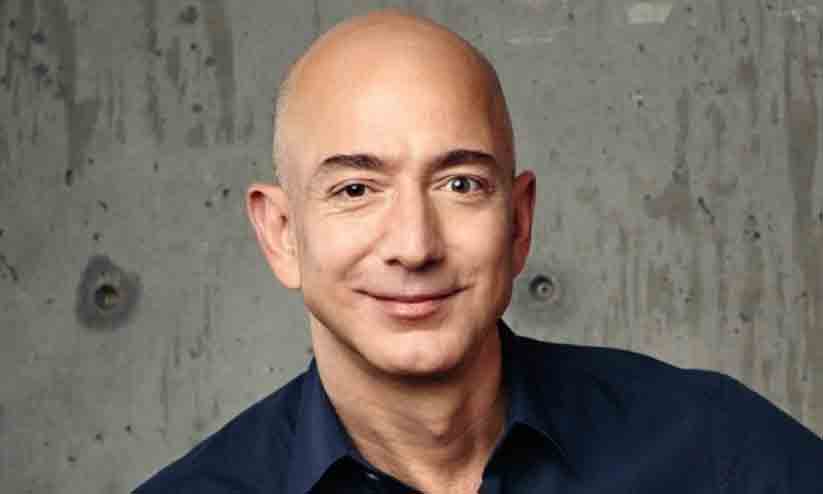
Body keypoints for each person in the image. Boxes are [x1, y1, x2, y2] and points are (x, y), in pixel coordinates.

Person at [134, 9, 823, 494]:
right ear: (281, 233)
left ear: (518, 221)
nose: (413, 246)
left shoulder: (716, 449)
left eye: (460, 184)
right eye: (355, 189)